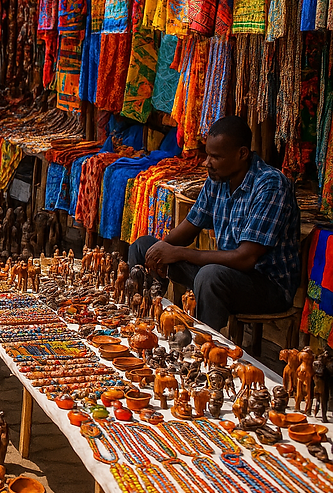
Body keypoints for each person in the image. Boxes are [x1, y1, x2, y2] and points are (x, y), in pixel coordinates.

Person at [128, 116, 300, 331]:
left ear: (242, 154)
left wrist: (180, 253)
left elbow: (246, 258)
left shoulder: (270, 185)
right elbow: (190, 227)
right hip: (224, 272)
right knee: (143, 246)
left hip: (266, 286)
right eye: (208, 155)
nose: (206, 162)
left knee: (210, 276)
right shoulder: (218, 177)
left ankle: (204, 348)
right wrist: (161, 251)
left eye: (215, 157)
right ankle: (140, 318)